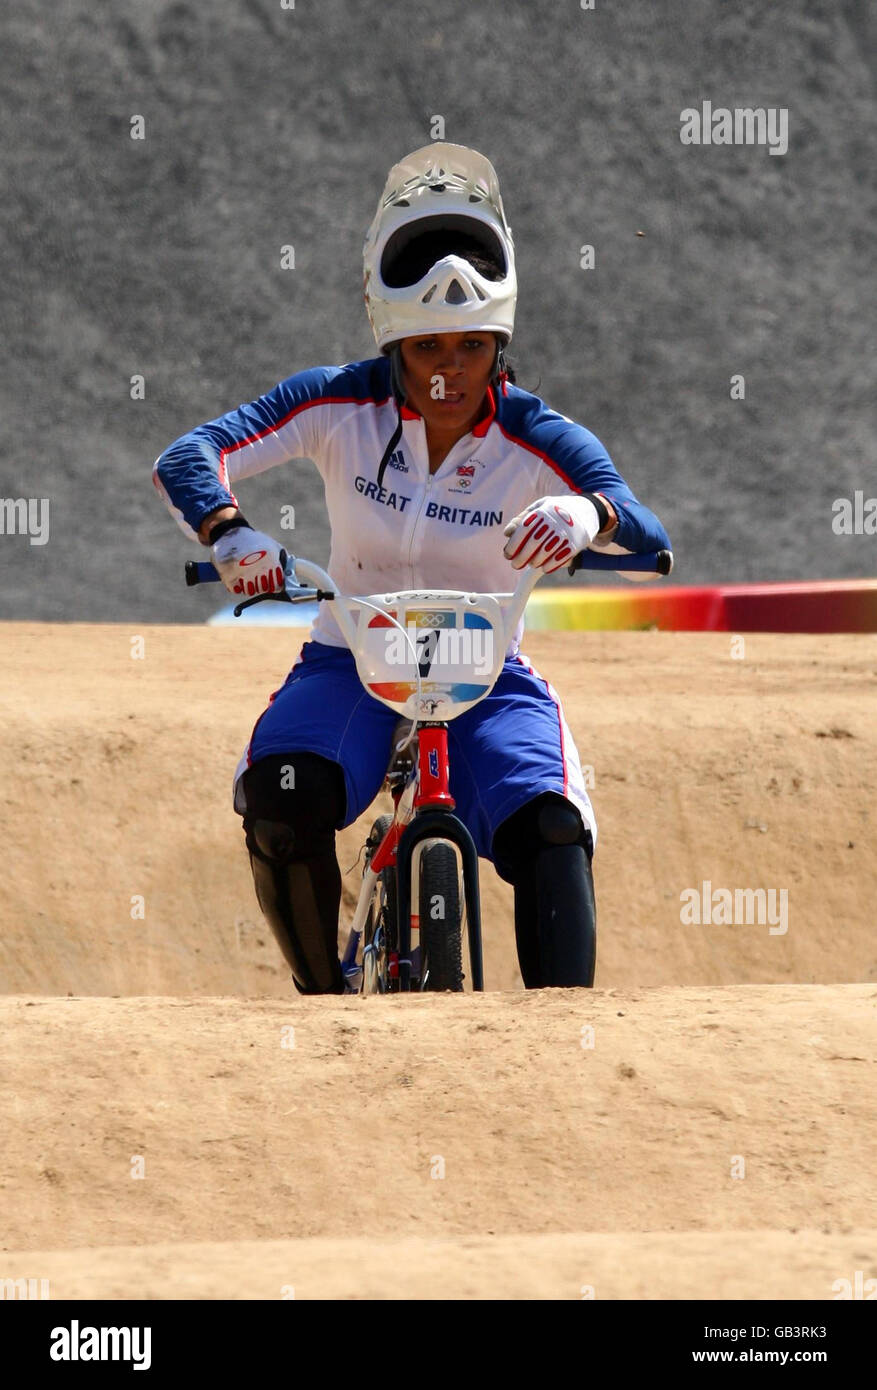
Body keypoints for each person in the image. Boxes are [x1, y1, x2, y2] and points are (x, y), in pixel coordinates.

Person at [153, 142, 671, 995]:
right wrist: (230, 532)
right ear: (390, 342)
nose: (449, 370)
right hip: (351, 657)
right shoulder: (336, 401)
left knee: (551, 832)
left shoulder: (541, 437)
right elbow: (192, 451)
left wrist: (590, 513)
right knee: (281, 803)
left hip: (486, 670)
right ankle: (323, 1011)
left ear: (500, 345)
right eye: (427, 346)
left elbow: (649, 536)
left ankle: (560, 1063)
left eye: (472, 346)